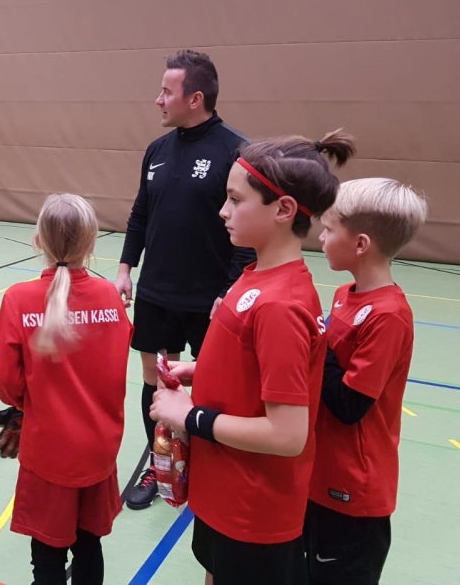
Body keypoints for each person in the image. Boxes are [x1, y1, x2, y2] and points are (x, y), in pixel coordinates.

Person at [150, 130, 356, 585]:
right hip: (224, 495)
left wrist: (190, 416)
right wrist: (200, 371)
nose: (222, 211)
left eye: (235, 199)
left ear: (283, 210)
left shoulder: (282, 304)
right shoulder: (256, 275)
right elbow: (257, 368)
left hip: (253, 512)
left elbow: (287, 434)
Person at [117, 49, 255, 510]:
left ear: (195, 99)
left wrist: (229, 292)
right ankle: (159, 465)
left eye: (166, 91)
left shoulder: (236, 152)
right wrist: (125, 269)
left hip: (211, 301)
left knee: (215, 386)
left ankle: (210, 468)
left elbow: (247, 234)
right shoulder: (157, 150)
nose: (157, 100)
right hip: (157, 294)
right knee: (156, 385)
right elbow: (141, 214)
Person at [0, 194, 133, 585]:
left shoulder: (19, 299)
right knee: (89, 544)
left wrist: (30, 403)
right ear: (91, 243)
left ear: (39, 240)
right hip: (99, 446)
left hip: (49, 450)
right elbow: (115, 363)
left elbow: (6, 382)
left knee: (47, 554)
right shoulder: (110, 297)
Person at [305, 178, 428, 585]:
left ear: (360, 244)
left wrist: (311, 340)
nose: (321, 238)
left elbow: (350, 403)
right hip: (319, 472)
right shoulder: (345, 293)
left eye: (328, 229)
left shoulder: (388, 316)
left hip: (353, 490)